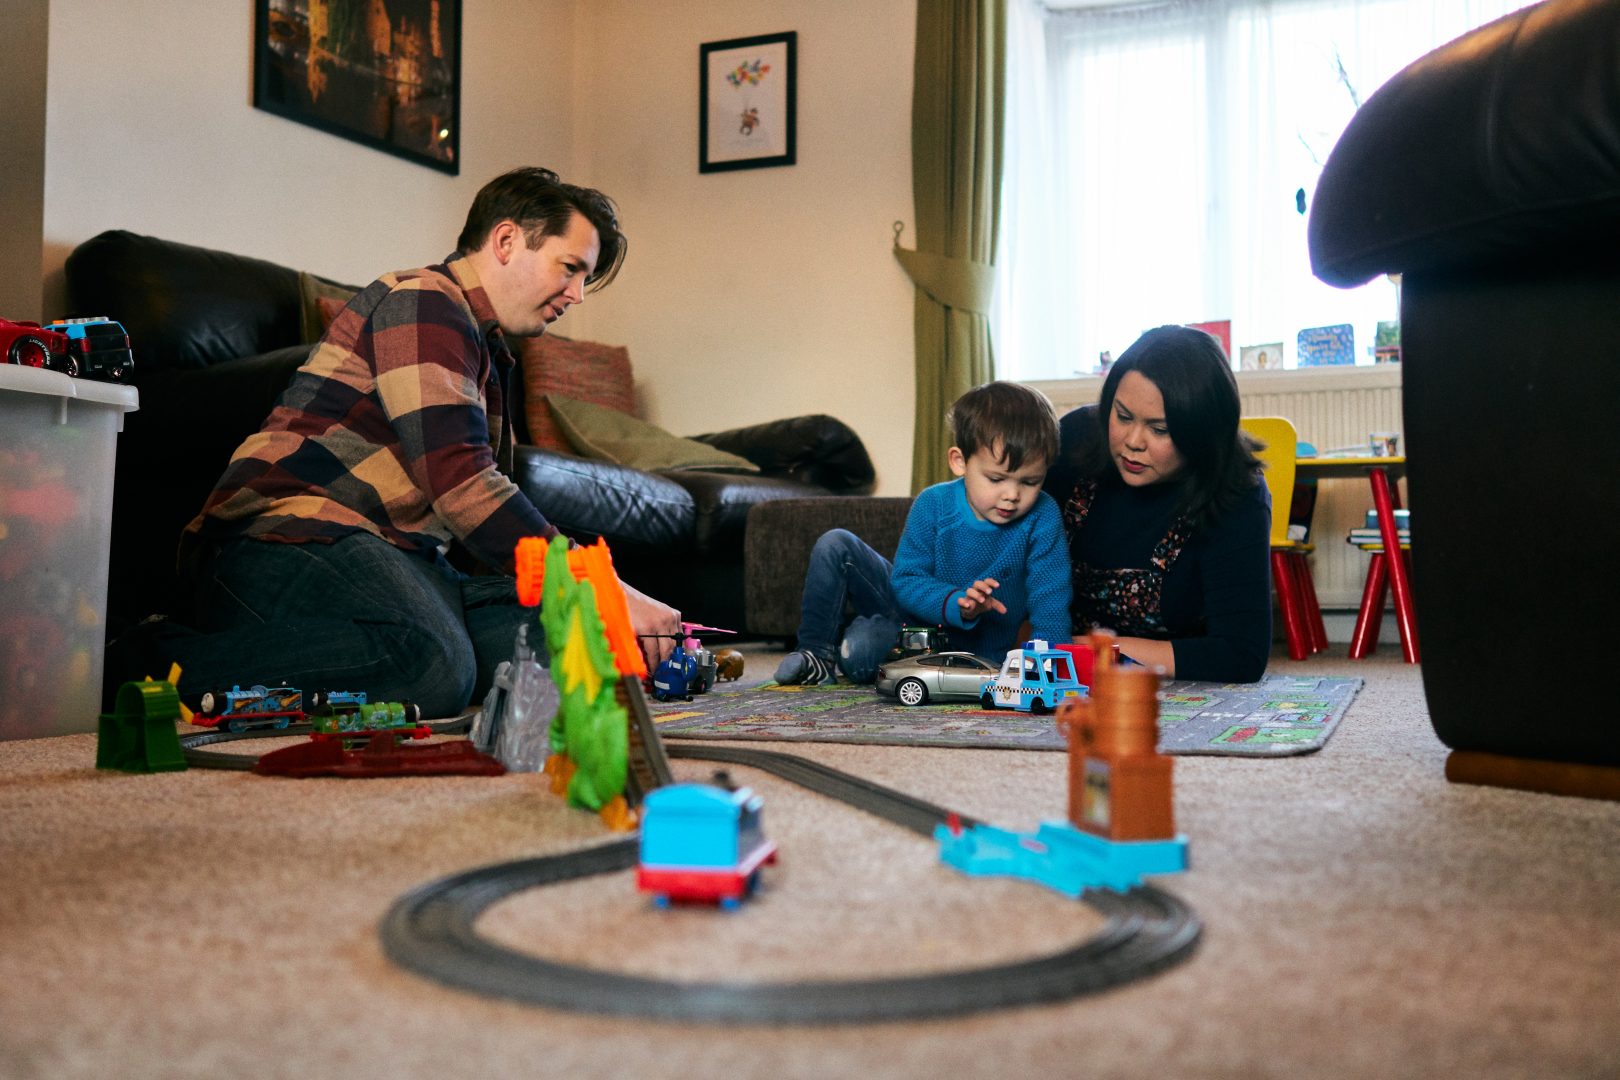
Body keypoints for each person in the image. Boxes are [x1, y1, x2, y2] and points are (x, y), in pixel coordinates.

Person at [111, 167, 681, 716]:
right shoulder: (423, 299)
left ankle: (378, 644)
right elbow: (462, 482)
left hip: (399, 557)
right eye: (570, 268)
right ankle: (143, 661)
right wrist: (597, 584)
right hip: (288, 538)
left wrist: (587, 608)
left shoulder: (488, 350)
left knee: (573, 645)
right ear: (507, 240)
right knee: (430, 665)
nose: (577, 295)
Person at [774, 381, 1072, 685]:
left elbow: (1051, 601)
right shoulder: (933, 503)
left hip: (964, 653)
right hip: (909, 616)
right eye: (996, 479)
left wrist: (1047, 670)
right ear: (959, 462)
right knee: (835, 543)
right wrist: (956, 603)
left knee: (860, 653)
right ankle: (816, 655)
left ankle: (859, 643)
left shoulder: (1043, 515)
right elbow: (905, 580)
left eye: (1030, 482)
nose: (1012, 494)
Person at [1043, 325, 1271, 682]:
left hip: (1136, 676)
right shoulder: (1075, 439)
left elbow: (1241, 653)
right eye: (1122, 416)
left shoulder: (1238, 491)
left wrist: (1077, 652)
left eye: (1159, 429)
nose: (1133, 441)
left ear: (1201, 432)